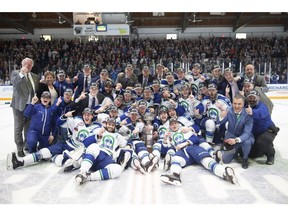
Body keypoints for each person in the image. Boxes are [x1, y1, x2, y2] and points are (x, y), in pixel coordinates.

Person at [6, 108, 101, 171]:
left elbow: (88, 142)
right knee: (44, 151)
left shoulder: (97, 127)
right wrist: (65, 116)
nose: (86, 116)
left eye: (89, 115)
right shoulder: (77, 120)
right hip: (66, 144)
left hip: (77, 150)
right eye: (85, 114)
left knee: (68, 162)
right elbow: (59, 122)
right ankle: (20, 162)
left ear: (92, 116)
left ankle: (57, 158)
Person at [160, 118, 238, 186]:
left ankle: (224, 173)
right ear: (169, 126)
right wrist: (165, 139)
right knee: (175, 159)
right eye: (172, 124)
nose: (174, 125)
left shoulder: (184, 130)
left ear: (178, 124)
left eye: (175, 123)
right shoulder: (169, 136)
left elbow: (196, 138)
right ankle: (175, 176)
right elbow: (163, 151)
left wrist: (185, 142)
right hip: (182, 152)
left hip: (192, 147)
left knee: (206, 160)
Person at [74, 118, 128, 185]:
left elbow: (127, 143)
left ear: (114, 126)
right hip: (95, 155)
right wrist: (97, 135)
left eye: (112, 125)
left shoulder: (118, 136)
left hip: (106, 158)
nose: (110, 126)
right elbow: (85, 143)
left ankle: (88, 177)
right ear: (106, 124)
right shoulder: (99, 130)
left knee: (118, 169)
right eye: (109, 124)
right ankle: (82, 172)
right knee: (94, 146)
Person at [10, 57, 40, 157]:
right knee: (18, 128)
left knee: (29, 128)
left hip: (30, 107)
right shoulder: (15, 73)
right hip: (19, 106)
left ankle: (27, 145)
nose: (28, 66)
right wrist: (21, 74)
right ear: (22, 65)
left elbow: (38, 89)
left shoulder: (35, 77)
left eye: (30, 64)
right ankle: (19, 148)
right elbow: (14, 83)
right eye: (26, 64)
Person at [215, 94, 255, 169]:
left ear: (243, 104)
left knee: (247, 142)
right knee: (225, 160)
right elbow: (220, 123)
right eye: (235, 103)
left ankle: (245, 158)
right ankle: (235, 152)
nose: (236, 106)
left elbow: (247, 133)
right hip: (231, 136)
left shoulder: (248, 115)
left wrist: (236, 140)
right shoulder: (229, 110)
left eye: (239, 104)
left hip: (244, 137)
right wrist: (221, 117)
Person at [246, 90, 280, 165]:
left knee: (262, 141)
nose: (252, 100)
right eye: (250, 98)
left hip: (268, 130)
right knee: (252, 154)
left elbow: (260, 113)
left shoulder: (262, 106)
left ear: (258, 98)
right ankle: (265, 147)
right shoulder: (246, 107)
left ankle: (270, 154)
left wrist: (252, 112)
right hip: (256, 132)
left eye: (254, 98)